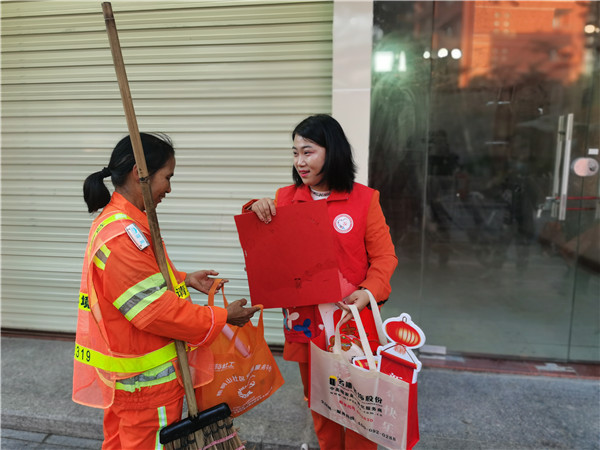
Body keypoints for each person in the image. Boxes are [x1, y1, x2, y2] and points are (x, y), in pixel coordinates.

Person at [74, 132, 259, 450]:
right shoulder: (122, 236)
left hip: (131, 384)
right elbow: (155, 311)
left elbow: (138, 284)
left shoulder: (123, 223)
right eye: (167, 177)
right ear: (140, 173)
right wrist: (223, 316)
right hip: (147, 387)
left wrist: (183, 279)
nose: (169, 189)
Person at [244, 114, 398, 450]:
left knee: (360, 410)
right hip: (307, 323)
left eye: (308, 152)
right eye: (295, 153)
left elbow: (385, 258)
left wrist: (368, 292)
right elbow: (269, 254)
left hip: (352, 320)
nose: (299, 162)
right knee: (322, 406)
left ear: (333, 151)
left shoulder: (364, 199)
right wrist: (256, 209)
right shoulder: (285, 199)